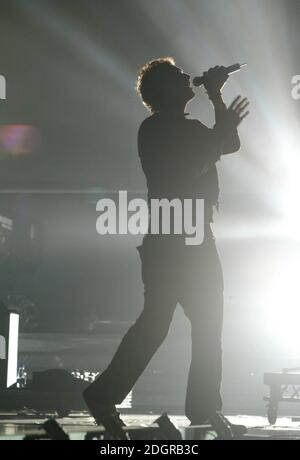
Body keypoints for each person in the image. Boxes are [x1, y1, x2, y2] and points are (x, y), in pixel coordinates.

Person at [83, 57, 249, 437]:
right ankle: (104, 394)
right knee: (158, 324)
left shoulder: (185, 127)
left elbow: (228, 143)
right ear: (164, 91)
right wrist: (219, 108)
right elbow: (198, 160)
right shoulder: (154, 130)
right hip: (173, 238)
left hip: (192, 236)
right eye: (177, 76)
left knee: (206, 326)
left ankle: (204, 408)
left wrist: (217, 97)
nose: (184, 76)